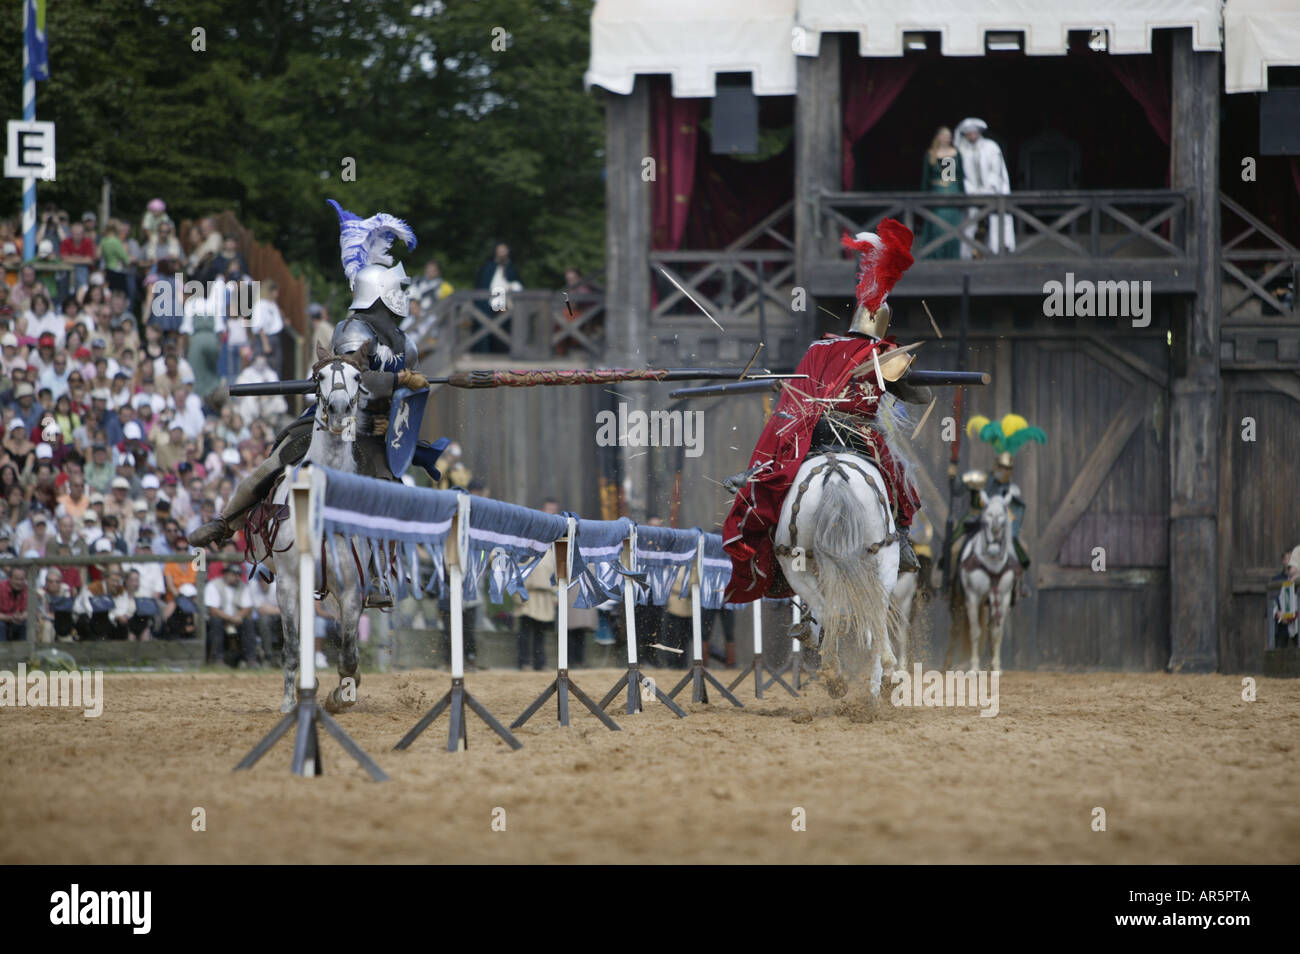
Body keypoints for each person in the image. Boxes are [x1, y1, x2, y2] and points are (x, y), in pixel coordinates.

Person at [188, 200, 444, 574]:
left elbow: (403, 402)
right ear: (380, 291)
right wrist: (398, 379)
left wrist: (393, 423)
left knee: (395, 495)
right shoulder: (352, 331)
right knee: (269, 468)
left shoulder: (406, 345)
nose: (403, 296)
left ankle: (380, 572)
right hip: (332, 420)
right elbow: (354, 379)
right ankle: (226, 523)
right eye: (397, 288)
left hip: (374, 435)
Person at [721, 220, 927, 604]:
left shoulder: (818, 349)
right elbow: (919, 394)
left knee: (777, 478)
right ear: (882, 327)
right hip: (859, 437)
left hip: (810, 434)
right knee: (902, 487)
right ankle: (901, 539)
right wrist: (903, 366)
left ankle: (764, 513)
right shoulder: (885, 356)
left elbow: (796, 395)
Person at [955, 117, 1014, 258]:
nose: (971, 136)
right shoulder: (957, 150)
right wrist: (967, 189)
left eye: (974, 132)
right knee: (969, 222)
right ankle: (968, 253)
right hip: (969, 193)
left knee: (996, 221)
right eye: (968, 133)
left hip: (992, 191)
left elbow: (997, 170)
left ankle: (998, 249)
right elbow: (949, 177)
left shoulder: (991, 146)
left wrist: (989, 188)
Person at [920, 127, 965, 260]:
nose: (946, 138)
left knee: (952, 225)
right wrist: (924, 197)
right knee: (937, 226)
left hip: (952, 191)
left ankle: (951, 255)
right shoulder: (931, 154)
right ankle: (937, 254)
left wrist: (962, 196)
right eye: (944, 135)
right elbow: (925, 179)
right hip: (936, 193)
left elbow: (959, 176)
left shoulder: (955, 154)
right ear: (938, 137)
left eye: (949, 136)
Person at [472, 242, 522, 353]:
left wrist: (512, 286)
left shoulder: (511, 268)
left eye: (504, 251)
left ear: (508, 252)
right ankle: (484, 354)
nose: (502, 253)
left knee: (503, 332)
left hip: (504, 305)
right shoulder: (488, 267)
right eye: (500, 251)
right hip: (487, 304)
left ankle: (503, 354)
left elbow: (518, 286)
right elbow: (481, 285)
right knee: (485, 331)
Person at [514, 544, 555, 671]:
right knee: (525, 632)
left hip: (545, 598)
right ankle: (524, 662)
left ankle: (540, 663)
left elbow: (556, 575)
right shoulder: (524, 549)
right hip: (527, 595)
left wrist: (556, 596)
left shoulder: (550, 553)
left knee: (540, 633)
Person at [205, 562, 254, 666]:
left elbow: (248, 607)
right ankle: (218, 659)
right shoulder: (214, 585)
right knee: (215, 623)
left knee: (248, 623)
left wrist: (238, 617)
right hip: (220, 618)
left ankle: (250, 659)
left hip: (237, 618)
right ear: (226, 574)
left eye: (238, 575)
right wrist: (230, 618)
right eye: (233, 574)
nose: (236, 577)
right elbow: (213, 609)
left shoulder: (243, 586)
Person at [0, 566, 28, 641]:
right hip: (3, 619)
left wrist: (22, 616)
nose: (19, 582)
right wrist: (9, 618)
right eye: (16, 579)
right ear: (9, 578)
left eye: (22, 579)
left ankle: (25, 651)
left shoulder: (26, 589)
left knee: (27, 624)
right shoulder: (1, 588)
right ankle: (2, 651)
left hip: (18, 620)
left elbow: (28, 610)